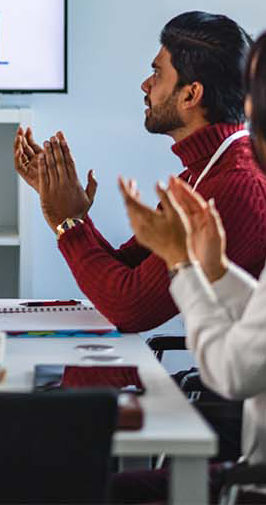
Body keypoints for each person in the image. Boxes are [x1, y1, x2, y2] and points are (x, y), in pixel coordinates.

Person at [14, 11, 266, 332]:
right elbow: (128, 270)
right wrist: (74, 217)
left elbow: (131, 308)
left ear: (191, 94)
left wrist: (68, 224)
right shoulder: (203, 173)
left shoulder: (236, 186)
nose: (145, 85)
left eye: (157, 73)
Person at [114, 31, 266, 504]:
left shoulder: (236, 181)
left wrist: (183, 266)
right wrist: (216, 271)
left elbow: (235, 371)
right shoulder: (205, 173)